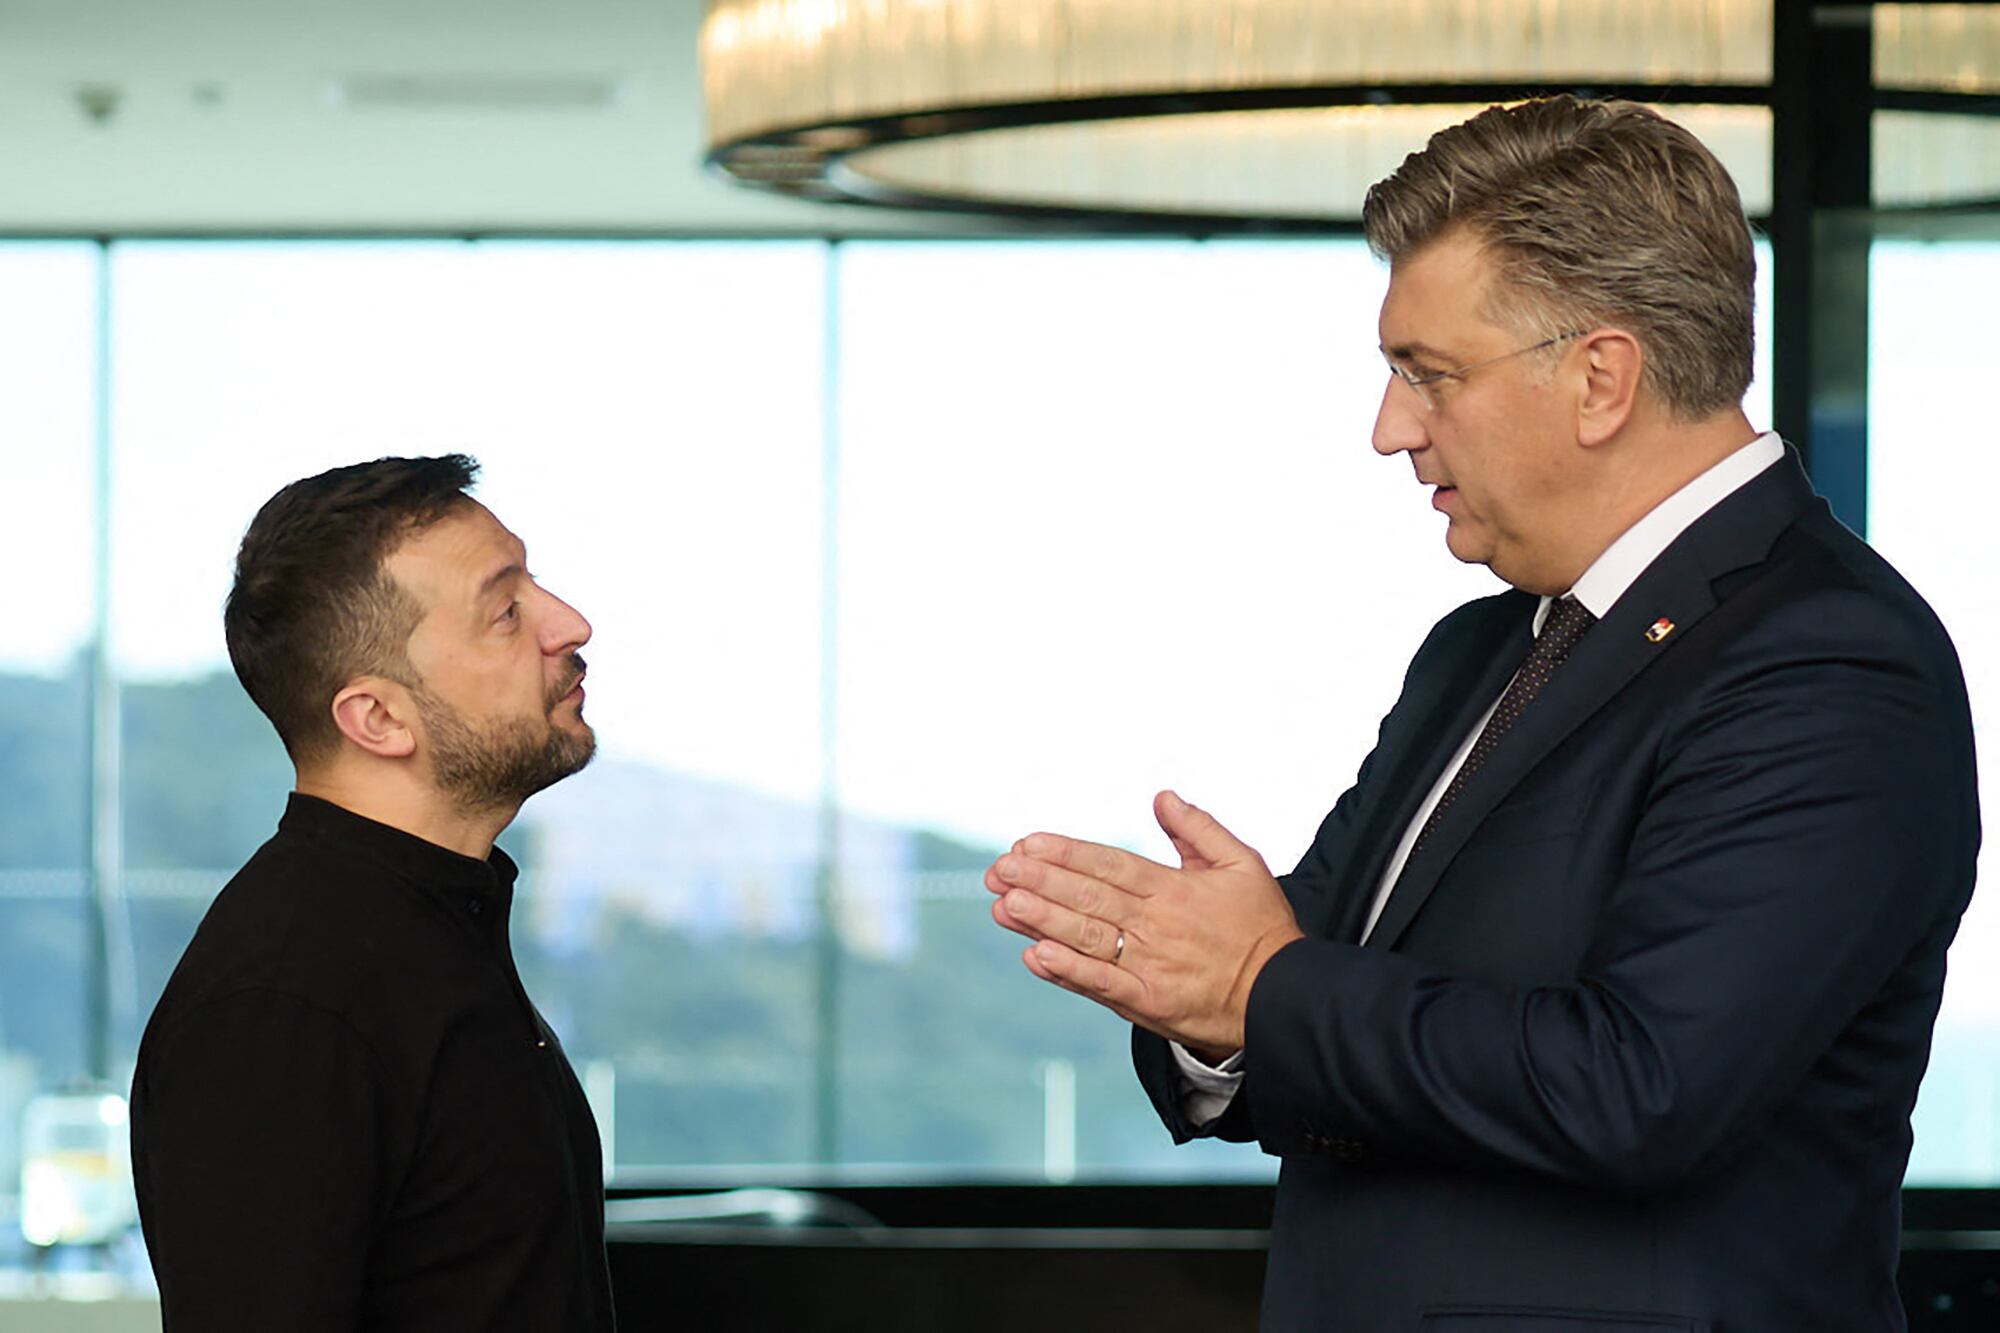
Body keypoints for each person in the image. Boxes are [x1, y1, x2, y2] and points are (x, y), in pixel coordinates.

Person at [985, 96, 1978, 1330]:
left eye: (1427, 375)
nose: (1387, 429)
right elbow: (1312, 992)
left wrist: (1257, 985)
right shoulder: (1477, 650)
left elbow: (1641, 1089)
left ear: (1599, 377)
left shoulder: (1827, 660)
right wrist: (1206, 1003)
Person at [131, 455, 616, 1332]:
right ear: (379, 720)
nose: (569, 623)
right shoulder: (286, 1002)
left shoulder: (434, 927)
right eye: (506, 611)